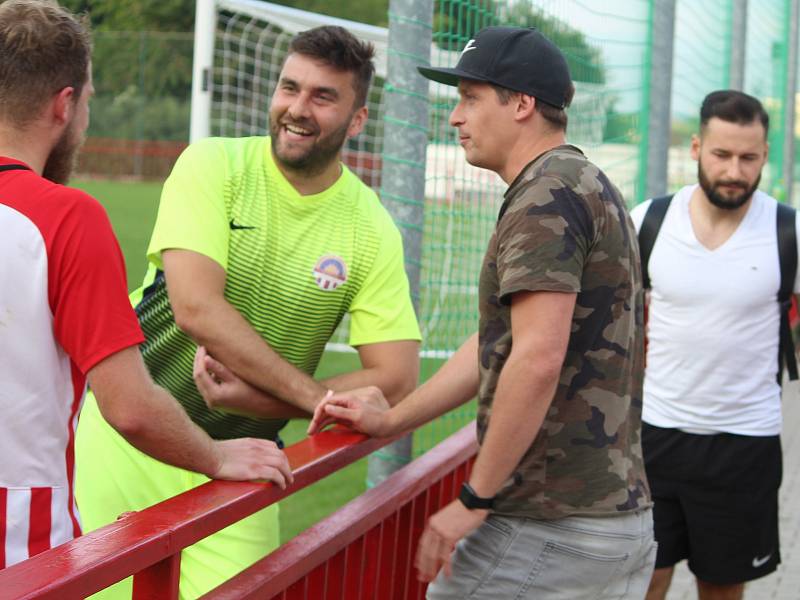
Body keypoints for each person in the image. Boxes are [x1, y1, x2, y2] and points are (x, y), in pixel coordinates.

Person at [308, 26, 655, 599]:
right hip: (605, 520)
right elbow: (503, 341)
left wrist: (474, 498)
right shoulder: (582, 180)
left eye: (470, 98)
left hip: (549, 526)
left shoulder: (546, 192)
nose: (455, 117)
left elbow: (537, 358)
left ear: (521, 104)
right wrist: (394, 419)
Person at [75, 24, 421, 598]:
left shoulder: (370, 225)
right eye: (289, 88)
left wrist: (262, 402)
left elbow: (397, 375)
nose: (297, 109)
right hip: (129, 438)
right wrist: (313, 398)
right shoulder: (214, 165)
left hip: (250, 460)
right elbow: (196, 308)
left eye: (322, 96)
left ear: (357, 120)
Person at [0, 0, 292, 571]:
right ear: (65, 105)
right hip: (19, 538)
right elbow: (129, 406)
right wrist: (214, 455)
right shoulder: (65, 218)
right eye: (88, 99)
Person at [629, 90, 793, 600]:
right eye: (722, 155)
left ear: (765, 155)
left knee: (721, 586)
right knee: (643, 580)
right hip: (655, 436)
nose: (734, 171)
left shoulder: (787, 230)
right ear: (697, 148)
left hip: (744, 443)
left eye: (748, 158)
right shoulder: (649, 222)